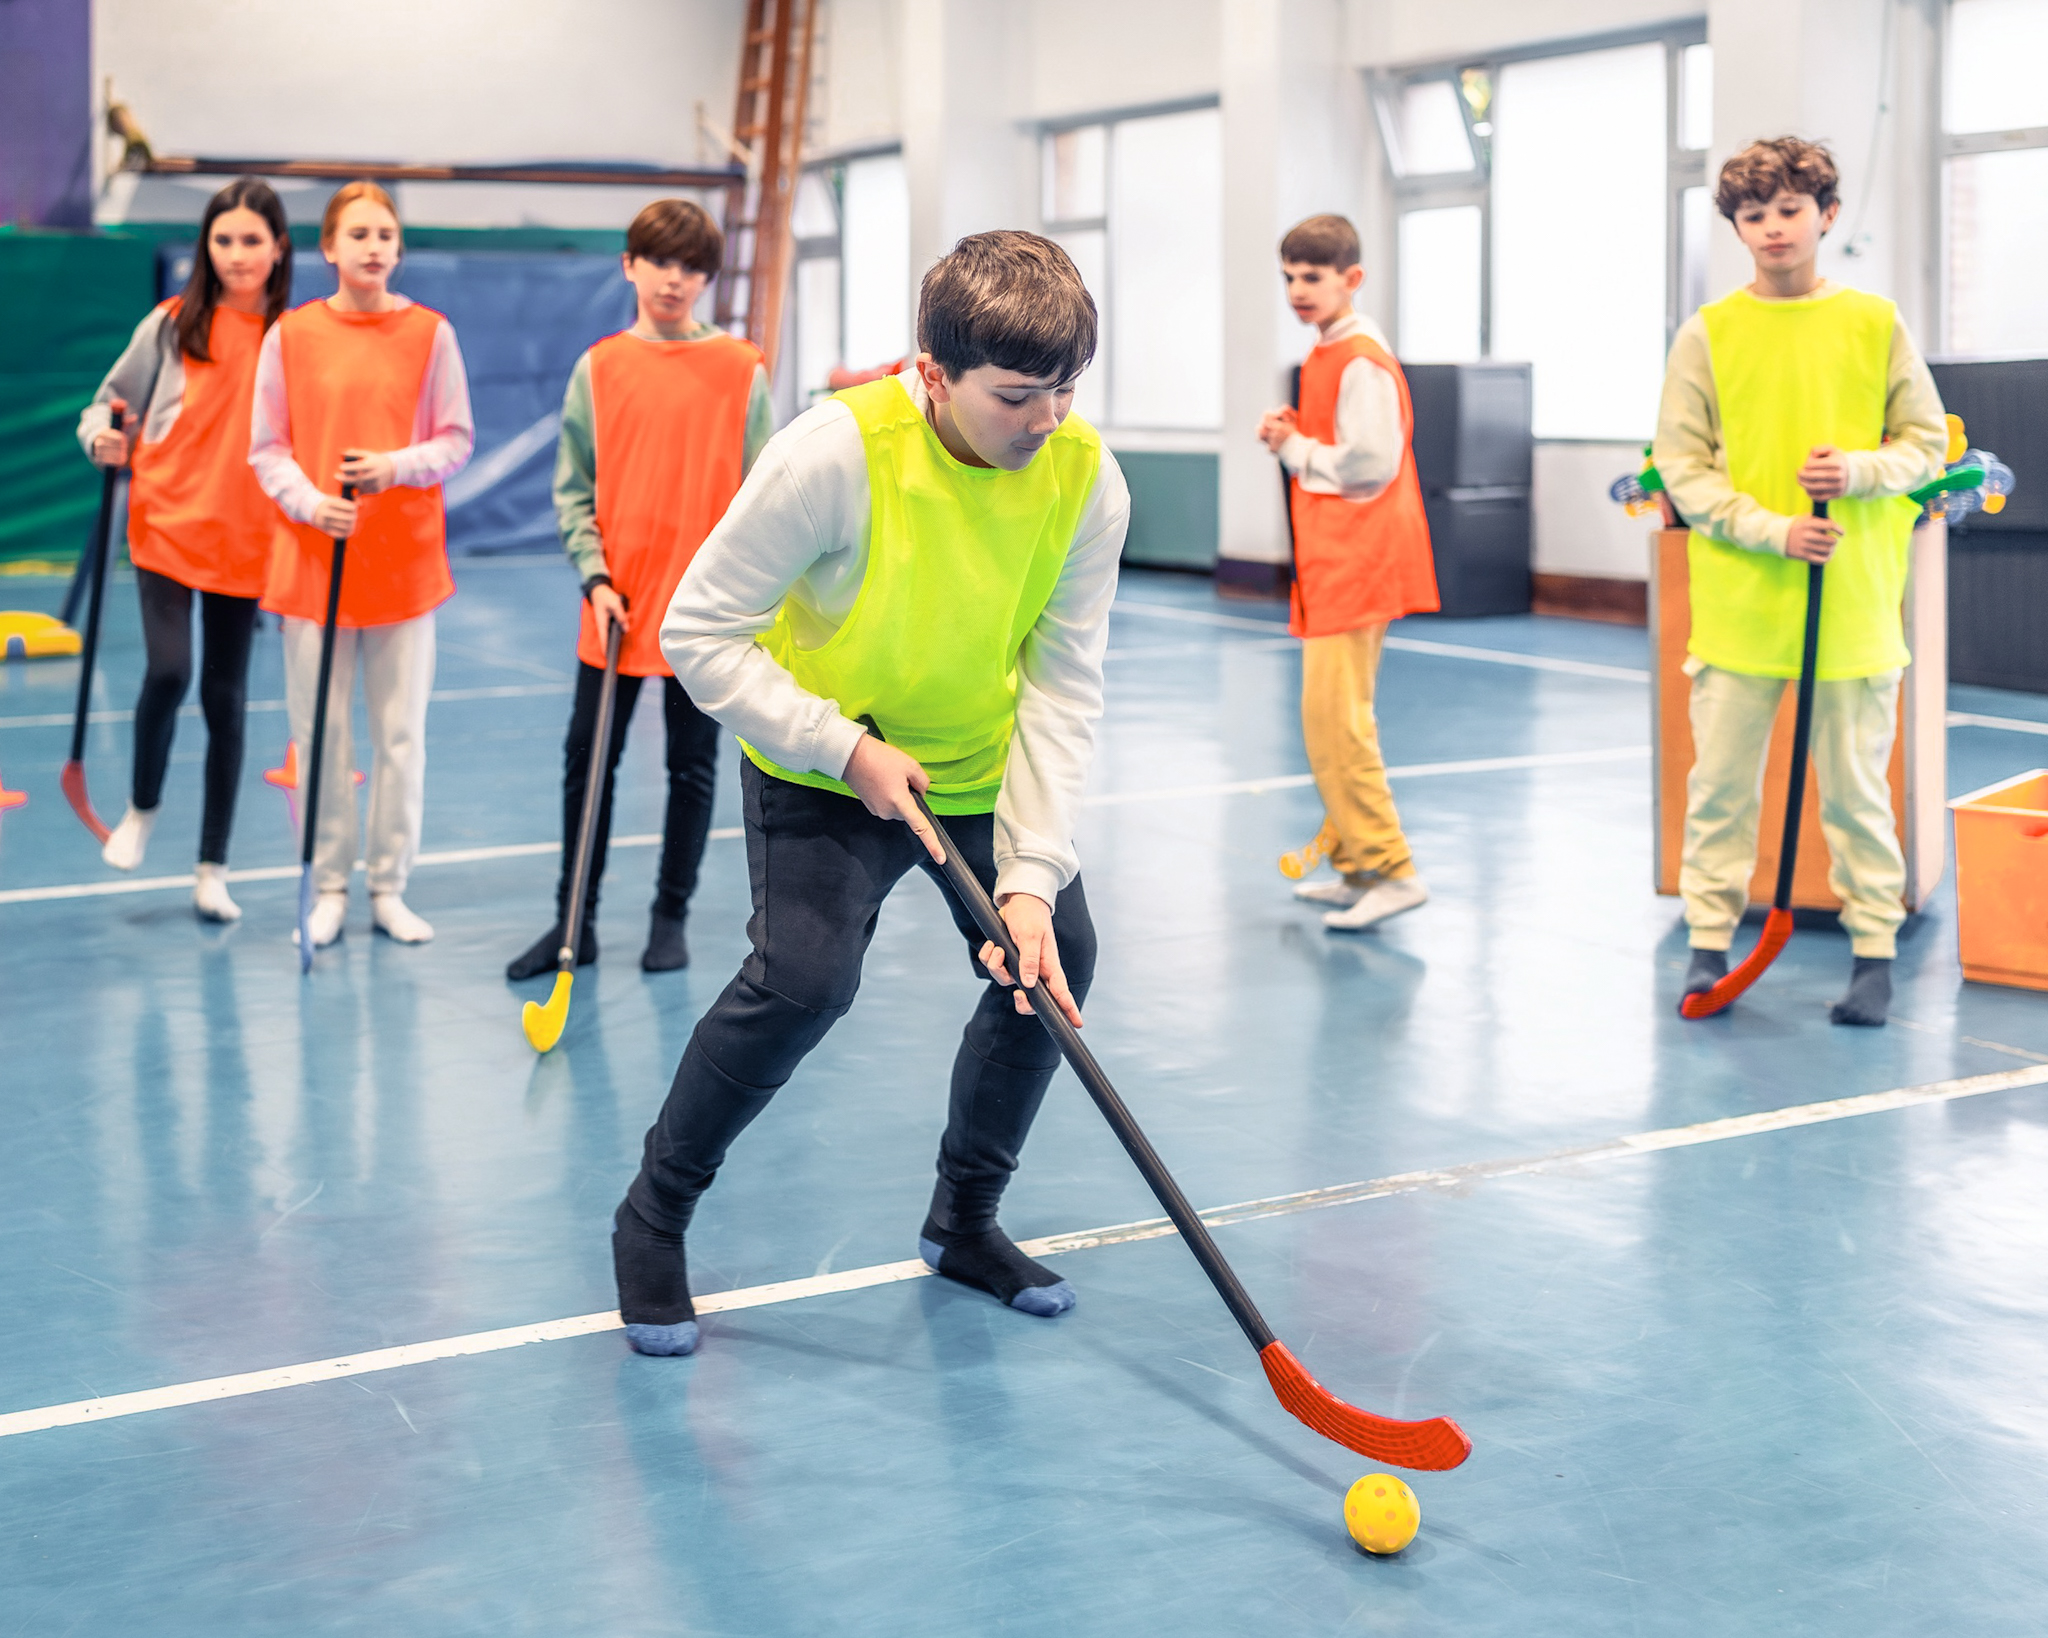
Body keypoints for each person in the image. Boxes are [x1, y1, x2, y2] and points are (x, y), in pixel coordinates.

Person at [610, 231, 1128, 1358]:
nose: (1045, 420)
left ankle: (964, 1222)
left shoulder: (1085, 478)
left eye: (1065, 389)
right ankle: (652, 1217)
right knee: (803, 981)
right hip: (826, 761)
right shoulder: (829, 455)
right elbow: (698, 635)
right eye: (1016, 396)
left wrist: (1031, 878)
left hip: (979, 766)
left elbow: (1061, 683)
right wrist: (838, 746)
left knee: (1052, 965)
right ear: (932, 372)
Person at [1653, 138, 1946, 1026]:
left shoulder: (1875, 322)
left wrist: (1857, 473)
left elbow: (1925, 442)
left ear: (1826, 214)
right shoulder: (1708, 333)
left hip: (1852, 607)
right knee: (1720, 789)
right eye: (1754, 215)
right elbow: (1683, 465)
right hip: (1743, 606)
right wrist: (1774, 529)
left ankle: (1872, 952)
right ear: (1736, 228)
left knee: (1858, 792)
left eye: (1790, 210)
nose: (1773, 228)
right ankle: (1709, 940)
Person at [505, 200, 772, 982]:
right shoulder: (599, 367)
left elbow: (764, 497)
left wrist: (739, 598)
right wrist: (593, 576)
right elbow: (572, 489)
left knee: (691, 769)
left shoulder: (741, 369)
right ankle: (572, 923)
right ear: (630, 266)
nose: (675, 279)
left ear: (707, 279)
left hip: (705, 617)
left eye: (692, 267)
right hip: (614, 608)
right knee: (586, 764)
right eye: (660, 262)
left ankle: (670, 916)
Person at [250, 181, 473, 949]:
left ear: (398, 247)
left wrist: (395, 465)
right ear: (329, 248)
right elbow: (266, 448)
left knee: (400, 736)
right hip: (314, 566)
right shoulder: (289, 335)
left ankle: (389, 885)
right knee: (320, 739)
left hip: (404, 567)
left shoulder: (431, 333)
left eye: (386, 233)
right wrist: (314, 503)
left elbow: (455, 439)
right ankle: (330, 886)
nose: (374, 246)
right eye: (359, 234)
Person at [78, 178, 292, 920]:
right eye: (223, 240)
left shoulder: (290, 337)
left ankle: (213, 866)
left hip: (247, 541)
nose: (236, 255)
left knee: (226, 701)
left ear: (278, 249)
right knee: (169, 672)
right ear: (207, 246)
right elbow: (106, 404)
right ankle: (141, 807)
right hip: (167, 525)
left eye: (251, 241)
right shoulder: (170, 325)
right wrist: (101, 436)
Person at [1257, 214, 1439, 933]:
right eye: (1290, 278)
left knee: (1341, 723)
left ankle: (1392, 868)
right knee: (1326, 721)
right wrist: (1295, 434)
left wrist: (1293, 446)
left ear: (1350, 279)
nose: (1298, 290)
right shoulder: (1325, 354)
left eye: (1313, 277)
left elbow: (1370, 464)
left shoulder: (1361, 357)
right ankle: (1359, 865)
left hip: (1358, 560)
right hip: (1332, 560)